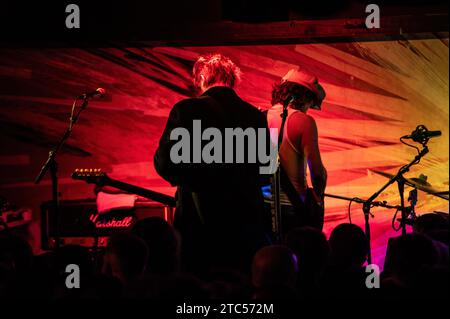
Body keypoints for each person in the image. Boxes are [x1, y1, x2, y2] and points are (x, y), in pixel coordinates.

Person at [154, 54, 272, 274]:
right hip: (244, 226)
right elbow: (267, 171)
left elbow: (165, 163)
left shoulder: (186, 110)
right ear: (233, 80)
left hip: (199, 225)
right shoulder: (255, 116)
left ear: (201, 78)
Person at [267, 68, 327, 231]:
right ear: (304, 96)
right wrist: (319, 197)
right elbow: (317, 174)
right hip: (293, 209)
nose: (309, 108)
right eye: (310, 103)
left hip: (265, 207)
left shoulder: (260, 117)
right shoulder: (303, 121)